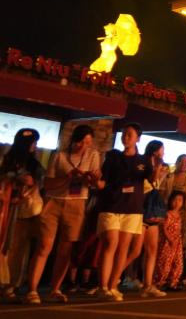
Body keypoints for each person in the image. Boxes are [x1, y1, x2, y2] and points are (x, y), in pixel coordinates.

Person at [26, 124, 101, 304]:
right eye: (81, 142)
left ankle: (55, 289)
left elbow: (95, 183)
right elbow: (48, 184)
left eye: (88, 143)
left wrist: (91, 178)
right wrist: (67, 177)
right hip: (54, 201)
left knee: (66, 248)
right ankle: (32, 290)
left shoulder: (93, 155)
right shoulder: (59, 155)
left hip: (77, 202)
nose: (83, 146)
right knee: (44, 246)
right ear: (74, 140)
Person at [95, 123, 155, 301]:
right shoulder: (113, 157)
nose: (125, 137)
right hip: (112, 205)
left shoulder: (144, 161)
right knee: (110, 242)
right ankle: (102, 286)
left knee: (123, 248)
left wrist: (157, 168)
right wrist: (95, 181)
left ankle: (113, 285)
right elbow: (103, 181)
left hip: (132, 208)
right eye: (124, 134)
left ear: (138, 138)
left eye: (129, 134)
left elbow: (151, 180)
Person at [0, 128, 44, 302]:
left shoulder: (35, 165)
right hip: (5, 207)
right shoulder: (7, 160)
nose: (35, 146)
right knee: (6, 245)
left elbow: (39, 183)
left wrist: (31, 183)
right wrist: (13, 179)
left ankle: (11, 283)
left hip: (24, 210)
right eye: (33, 142)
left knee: (18, 247)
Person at [160, 154, 186, 284]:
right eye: (182, 161)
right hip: (168, 215)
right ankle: (162, 275)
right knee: (165, 244)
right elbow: (162, 195)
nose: (184, 164)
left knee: (180, 246)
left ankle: (175, 276)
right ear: (177, 162)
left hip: (182, 217)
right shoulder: (168, 177)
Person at [140, 142, 167, 298]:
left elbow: (157, 185)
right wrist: (157, 168)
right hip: (141, 208)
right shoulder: (144, 164)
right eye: (162, 150)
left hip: (152, 211)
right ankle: (110, 280)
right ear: (155, 151)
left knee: (152, 250)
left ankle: (147, 285)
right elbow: (151, 181)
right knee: (134, 250)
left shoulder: (159, 166)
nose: (163, 153)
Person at [154, 191, 185, 291]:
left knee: (177, 262)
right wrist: (169, 238)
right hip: (167, 242)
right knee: (165, 261)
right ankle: (159, 282)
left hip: (177, 242)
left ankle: (172, 282)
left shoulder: (180, 215)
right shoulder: (167, 214)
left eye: (180, 200)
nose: (177, 202)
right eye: (175, 200)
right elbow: (164, 228)